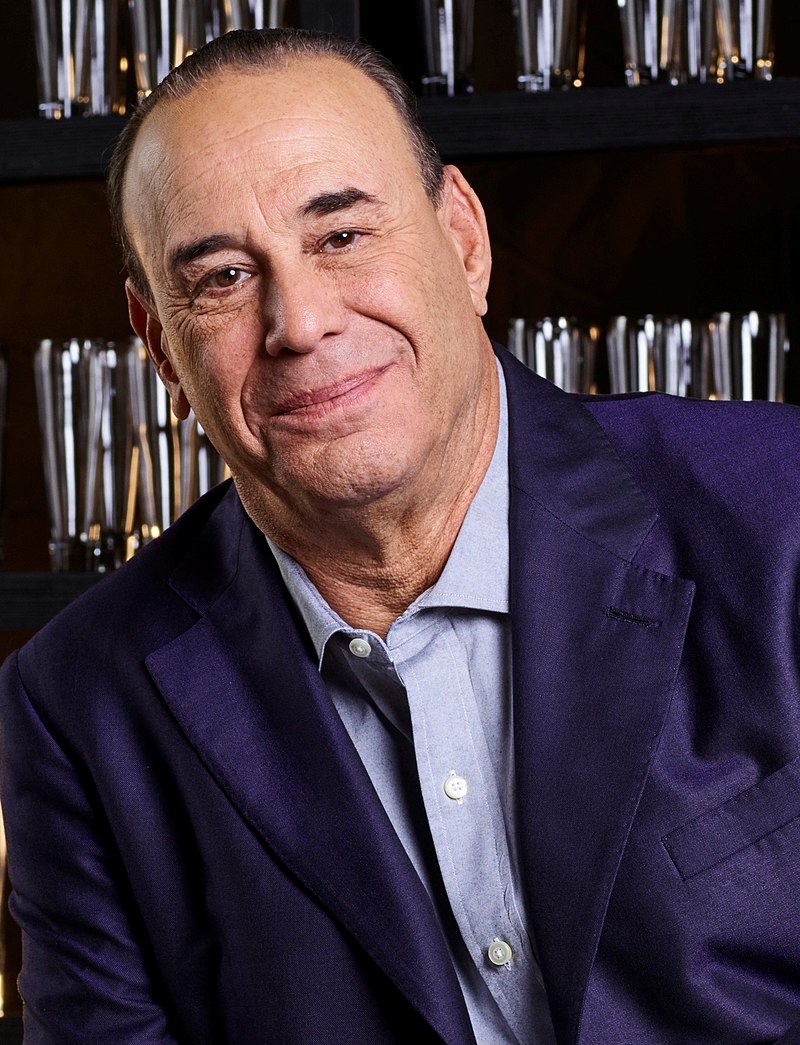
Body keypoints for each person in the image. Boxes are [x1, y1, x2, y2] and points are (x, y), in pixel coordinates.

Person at [2, 26, 800, 1045]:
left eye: (341, 235)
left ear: (463, 241)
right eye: (224, 277)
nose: (300, 322)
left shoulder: (778, 512)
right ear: (161, 345)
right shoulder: (75, 705)